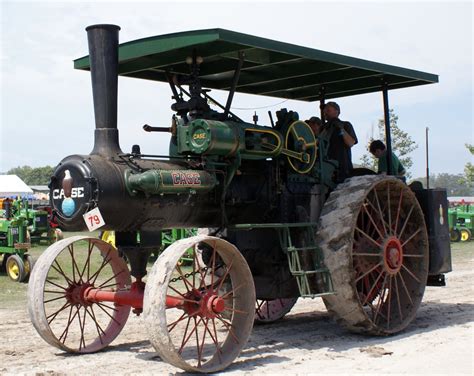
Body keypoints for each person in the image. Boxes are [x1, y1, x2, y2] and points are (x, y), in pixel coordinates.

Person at [322, 101, 358, 182]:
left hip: (343, 168)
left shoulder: (346, 125)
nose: (325, 113)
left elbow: (350, 143)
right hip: (326, 168)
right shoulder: (324, 128)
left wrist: (341, 129)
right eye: (324, 111)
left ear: (336, 111)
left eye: (328, 110)